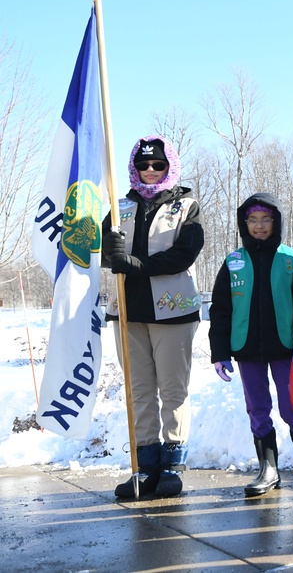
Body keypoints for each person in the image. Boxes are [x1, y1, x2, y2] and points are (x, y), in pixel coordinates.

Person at [208, 193, 293, 497]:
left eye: (266, 220)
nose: (259, 226)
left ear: (277, 222)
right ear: (244, 223)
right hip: (247, 349)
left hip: (286, 348)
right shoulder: (233, 262)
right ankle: (268, 468)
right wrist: (220, 351)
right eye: (252, 220)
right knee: (258, 407)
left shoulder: (291, 260)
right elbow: (221, 310)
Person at [103, 136, 203, 498]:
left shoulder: (185, 206)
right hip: (127, 312)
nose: (149, 171)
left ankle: (172, 466)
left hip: (172, 312)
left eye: (157, 165)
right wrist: (106, 248)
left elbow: (184, 254)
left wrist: (136, 265)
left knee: (172, 390)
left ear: (169, 166)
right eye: (143, 165)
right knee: (139, 391)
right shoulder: (119, 207)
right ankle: (145, 467)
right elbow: (105, 254)